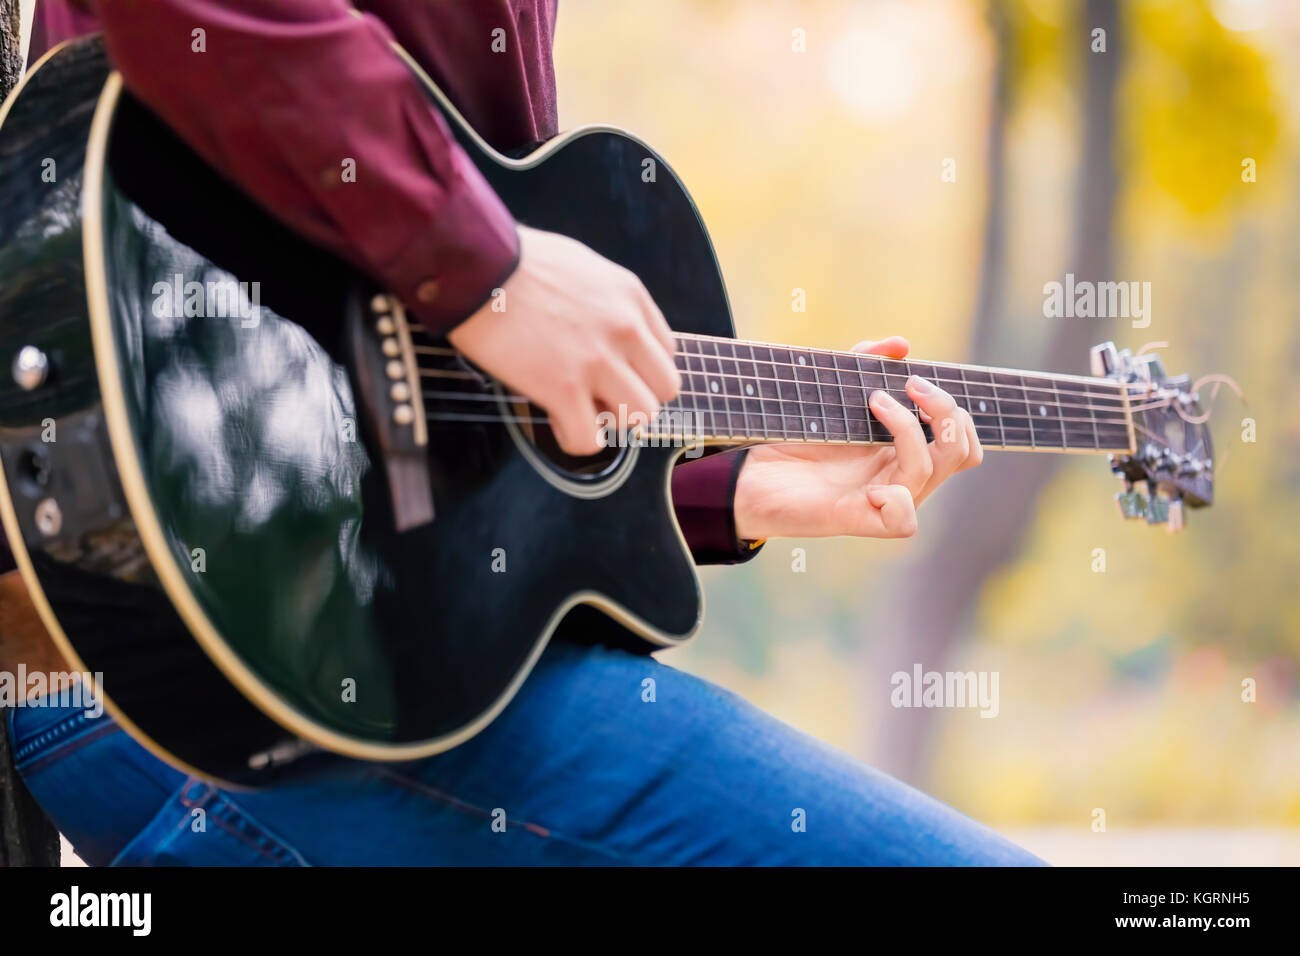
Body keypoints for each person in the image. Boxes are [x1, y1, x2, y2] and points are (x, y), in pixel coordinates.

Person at [2, 0, 1041, 865]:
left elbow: (421, 395)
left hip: (351, 674)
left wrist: (720, 491)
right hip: (198, 684)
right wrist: (485, 267)